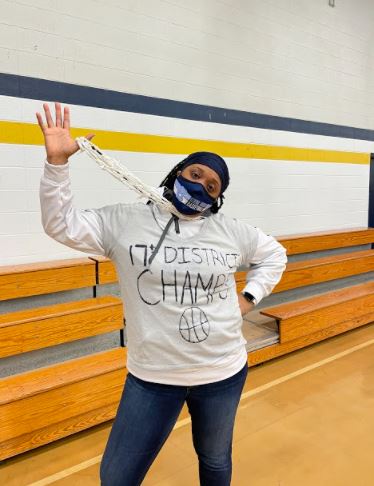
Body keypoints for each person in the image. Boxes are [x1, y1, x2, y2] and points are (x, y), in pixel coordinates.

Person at [37, 102, 287, 486]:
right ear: (177, 172)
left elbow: (274, 254)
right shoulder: (124, 220)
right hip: (153, 376)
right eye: (195, 174)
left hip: (222, 370)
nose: (199, 186)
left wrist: (248, 298)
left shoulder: (230, 230)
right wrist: (57, 165)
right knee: (117, 476)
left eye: (211, 187)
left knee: (215, 460)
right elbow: (61, 225)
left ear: (217, 200)